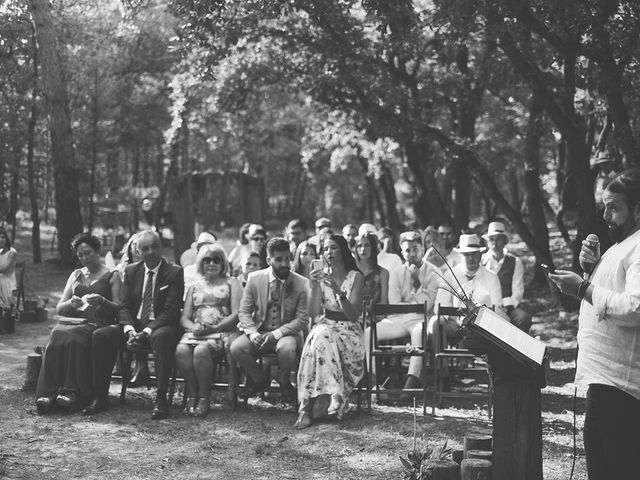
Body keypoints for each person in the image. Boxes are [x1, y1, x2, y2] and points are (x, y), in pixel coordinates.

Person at [549, 168, 640, 479]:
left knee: (619, 471)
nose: (605, 216)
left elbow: (635, 308)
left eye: (613, 207)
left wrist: (581, 287)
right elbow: (605, 299)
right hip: (602, 381)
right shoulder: (621, 246)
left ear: (638, 209)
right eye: (604, 206)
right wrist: (592, 269)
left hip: (623, 388)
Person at [85, 229, 184, 419]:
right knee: (102, 335)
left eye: (154, 247)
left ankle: (161, 399)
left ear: (161, 247)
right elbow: (124, 306)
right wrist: (129, 330)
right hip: (134, 327)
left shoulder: (174, 272)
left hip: (161, 326)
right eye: (145, 249)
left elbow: (171, 312)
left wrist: (145, 332)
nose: (150, 252)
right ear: (138, 251)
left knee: (161, 337)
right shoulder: (131, 271)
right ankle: (100, 397)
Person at [36, 233, 122, 413]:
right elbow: (60, 307)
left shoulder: (112, 275)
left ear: (97, 250)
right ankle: (50, 391)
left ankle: (72, 391)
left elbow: (119, 307)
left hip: (98, 322)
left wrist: (102, 301)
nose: (85, 258)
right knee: (58, 333)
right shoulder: (76, 275)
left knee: (74, 336)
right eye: (80, 255)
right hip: (74, 320)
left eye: (88, 253)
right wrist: (71, 303)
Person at [295, 235, 365, 429]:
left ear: (342, 250)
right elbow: (313, 312)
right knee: (320, 334)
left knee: (320, 336)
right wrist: (315, 285)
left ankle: (306, 408)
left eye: (333, 248)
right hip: (326, 327)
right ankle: (331, 396)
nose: (329, 252)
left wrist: (336, 289)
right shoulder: (320, 277)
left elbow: (353, 315)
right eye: (325, 249)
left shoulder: (355, 277)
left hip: (349, 333)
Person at [230, 237, 308, 404]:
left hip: (287, 333)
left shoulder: (301, 283)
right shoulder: (254, 278)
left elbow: (302, 319)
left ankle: (284, 380)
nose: (285, 264)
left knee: (286, 349)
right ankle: (259, 378)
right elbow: (243, 311)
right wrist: (251, 333)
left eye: (287, 258)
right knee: (236, 348)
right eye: (279, 259)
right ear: (268, 260)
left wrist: (277, 334)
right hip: (259, 330)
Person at [366, 231, 441, 391]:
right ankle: (372, 382)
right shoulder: (397, 272)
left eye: (415, 249)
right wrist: (415, 299)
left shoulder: (434, 272)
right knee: (368, 333)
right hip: (398, 318)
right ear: (401, 251)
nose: (412, 254)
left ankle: (410, 385)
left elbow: (427, 305)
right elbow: (394, 303)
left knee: (419, 333)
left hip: (420, 319)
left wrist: (416, 283)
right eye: (407, 250)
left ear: (422, 249)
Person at [176, 244, 241, 417]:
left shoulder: (231, 283)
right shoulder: (194, 286)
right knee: (181, 350)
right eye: (207, 259)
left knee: (201, 351)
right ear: (200, 263)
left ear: (223, 263)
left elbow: (237, 314)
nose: (211, 263)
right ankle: (192, 395)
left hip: (221, 332)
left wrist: (215, 327)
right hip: (196, 331)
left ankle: (204, 398)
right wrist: (194, 328)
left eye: (216, 260)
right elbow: (185, 317)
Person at [428, 233, 504, 354]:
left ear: (480, 255)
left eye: (474, 254)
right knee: (434, 322)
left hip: (483, 328)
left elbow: (498, 309)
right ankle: (443, 370)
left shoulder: (492, 277)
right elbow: (439, 307)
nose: (471, 258)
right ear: (460, 255)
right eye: (467, 254)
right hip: (455, 325)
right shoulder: (450, 275)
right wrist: (459, 320)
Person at [481, 221, 532, 332]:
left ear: (505, 241)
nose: (495, 243)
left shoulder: (515, 262)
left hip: (506, 306)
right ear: (487, 243)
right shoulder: (480, 261)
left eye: (499, 239)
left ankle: (514, 348)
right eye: (492, 239)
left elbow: (517, 292)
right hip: (484, 306)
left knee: (523, 319)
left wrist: (507, 305)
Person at [354, 233, 388, 305]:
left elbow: (384, 302)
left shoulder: (383, 273)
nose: (363, 249)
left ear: (373, 248)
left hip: (376, 314)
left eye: (367, 245)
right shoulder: (350, 272)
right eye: (359, 246)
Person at [0, 227, 17, 306]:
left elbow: (4, 269)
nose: (0, 240)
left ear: (6, 238)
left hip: (8, 280)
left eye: (2, 237)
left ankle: (4, 305)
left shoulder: (12, 252)